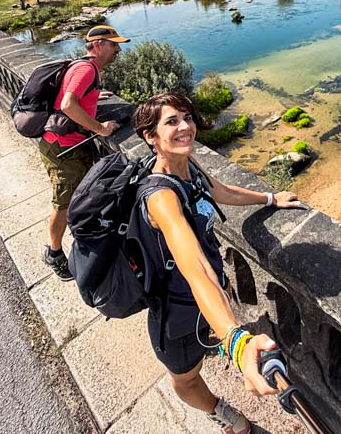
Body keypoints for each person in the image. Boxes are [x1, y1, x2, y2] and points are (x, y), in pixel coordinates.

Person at [132, 92, 303, 434]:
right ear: (150, 137)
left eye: (187, 117)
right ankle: (224, 413)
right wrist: (237, 341)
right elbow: (196, 270)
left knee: (206, 342)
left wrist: (271, 198)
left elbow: (222, 191)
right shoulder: (161, 198)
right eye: (172, 121)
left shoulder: (188, 165)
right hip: (177, 316)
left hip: (210, 302)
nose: (186, 127)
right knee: (185, 380)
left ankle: (215, 337)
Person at [40, 25, 130, 280]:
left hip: (69, 145)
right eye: (114, 45)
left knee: (77, 198)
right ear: (99, 45)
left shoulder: (88, 70)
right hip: (63, 148)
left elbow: (70, 96)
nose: (118, 50)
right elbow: (68, 104)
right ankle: (54, 253)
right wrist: (101, 128)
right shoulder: (85, 69)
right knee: (64, 203)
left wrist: (96, 94)